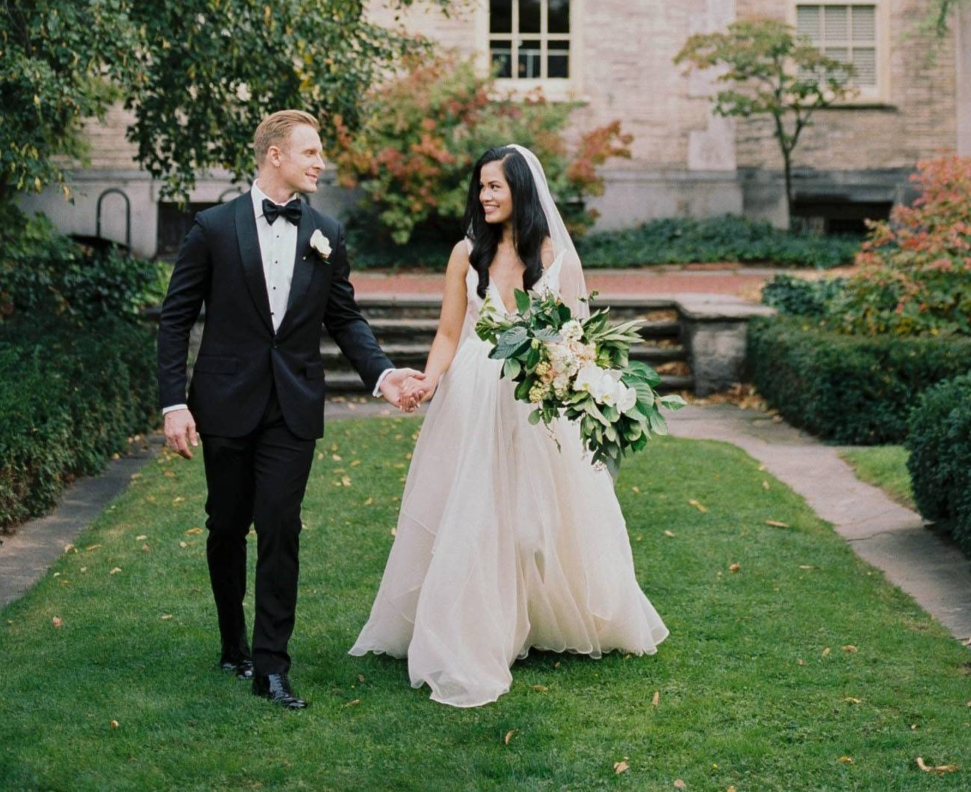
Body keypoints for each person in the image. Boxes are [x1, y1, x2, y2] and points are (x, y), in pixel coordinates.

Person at [350, 145, 668, 707]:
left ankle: (540, 616)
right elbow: (449, 334)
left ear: (521, 189)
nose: (485, 196)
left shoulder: (557, 259)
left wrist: (580, 384)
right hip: (472, 399)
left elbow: (577, 339)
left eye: (495, 186)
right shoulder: (465, 253)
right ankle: (473, 626)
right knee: (474, 511)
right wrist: (427, 381)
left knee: (539, 518)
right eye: (481, 187)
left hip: (534, 402)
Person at [157, 110, 423, 710]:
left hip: (292, 408)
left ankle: (271, 666)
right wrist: (175, 402)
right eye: (309, 151)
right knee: (226, 527)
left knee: (281, 527)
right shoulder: (214, 228)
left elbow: (344, 318)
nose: (319, 162)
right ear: (274, 155)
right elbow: (175, 320)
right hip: (224, 403)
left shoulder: (326, 232)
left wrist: (383, 375)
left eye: (320, 152)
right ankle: (232, 642)